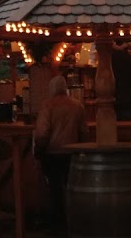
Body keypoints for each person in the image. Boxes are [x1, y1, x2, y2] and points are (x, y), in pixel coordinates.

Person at [33, 76, 88, 229]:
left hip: (52, 153)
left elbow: (42, 133)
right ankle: (74, 220)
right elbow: (84, 131)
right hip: (72, 153)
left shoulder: (47, 106)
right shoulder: (77, 106)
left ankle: (58, 222)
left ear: (52, 88)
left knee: (55, 189)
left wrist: (38, 151)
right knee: (72, 187)